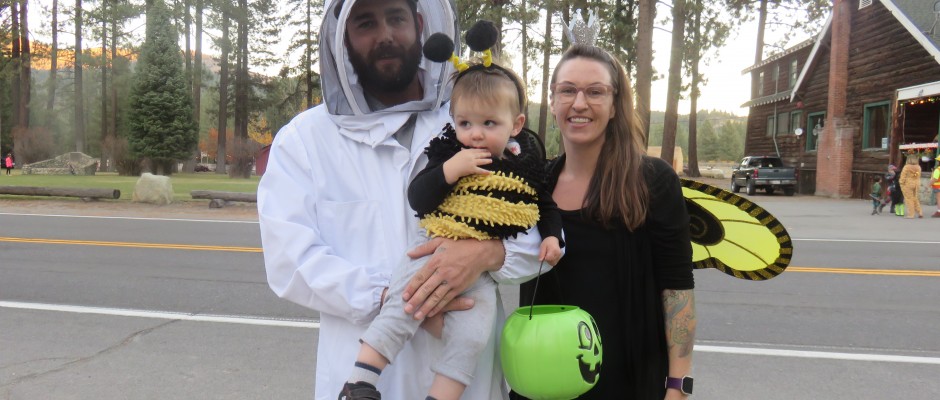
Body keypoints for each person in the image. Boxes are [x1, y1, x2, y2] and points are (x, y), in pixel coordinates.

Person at [256, 1, 543, 399]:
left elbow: (539, 232)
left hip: (469, 379)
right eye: (366, 23)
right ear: (343, 39)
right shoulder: (305, 140)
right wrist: (400, 298)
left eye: (396, 18)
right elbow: (291, 261)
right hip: (368, 375)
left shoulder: (474, 119)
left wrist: (488, 254)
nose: (385, 35)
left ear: (419, 24)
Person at [341, 62, 563, 400]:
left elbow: (545, 206)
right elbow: (418, 198)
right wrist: (448, 171)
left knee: (473, 337)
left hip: (482, 276)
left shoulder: (523, 167)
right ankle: (359, 382)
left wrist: (551, 236)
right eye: (465, 123)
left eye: (489, 123)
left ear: (516, 124)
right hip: (431, 249)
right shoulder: (448, 154)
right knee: (402, 307)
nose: (475, 134)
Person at [517, 44, 696, 399]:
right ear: (552, 101)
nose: (579, 103)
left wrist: (678, 387)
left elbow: (677, 290)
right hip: (544, 384)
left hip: (628, 384)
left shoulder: (651, 181)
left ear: (615, 105)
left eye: (595, 92)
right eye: (568, 90)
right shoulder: (536, 185)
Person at [899, 154, 924, 219]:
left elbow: (903, 177)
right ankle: (920, 212)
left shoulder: (906, 167)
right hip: (916, 183)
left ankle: (911, 214)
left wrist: (901, 183)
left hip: (908, 184)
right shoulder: (918, 167)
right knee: (915, 198)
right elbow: (918, 176)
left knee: (909, 199)